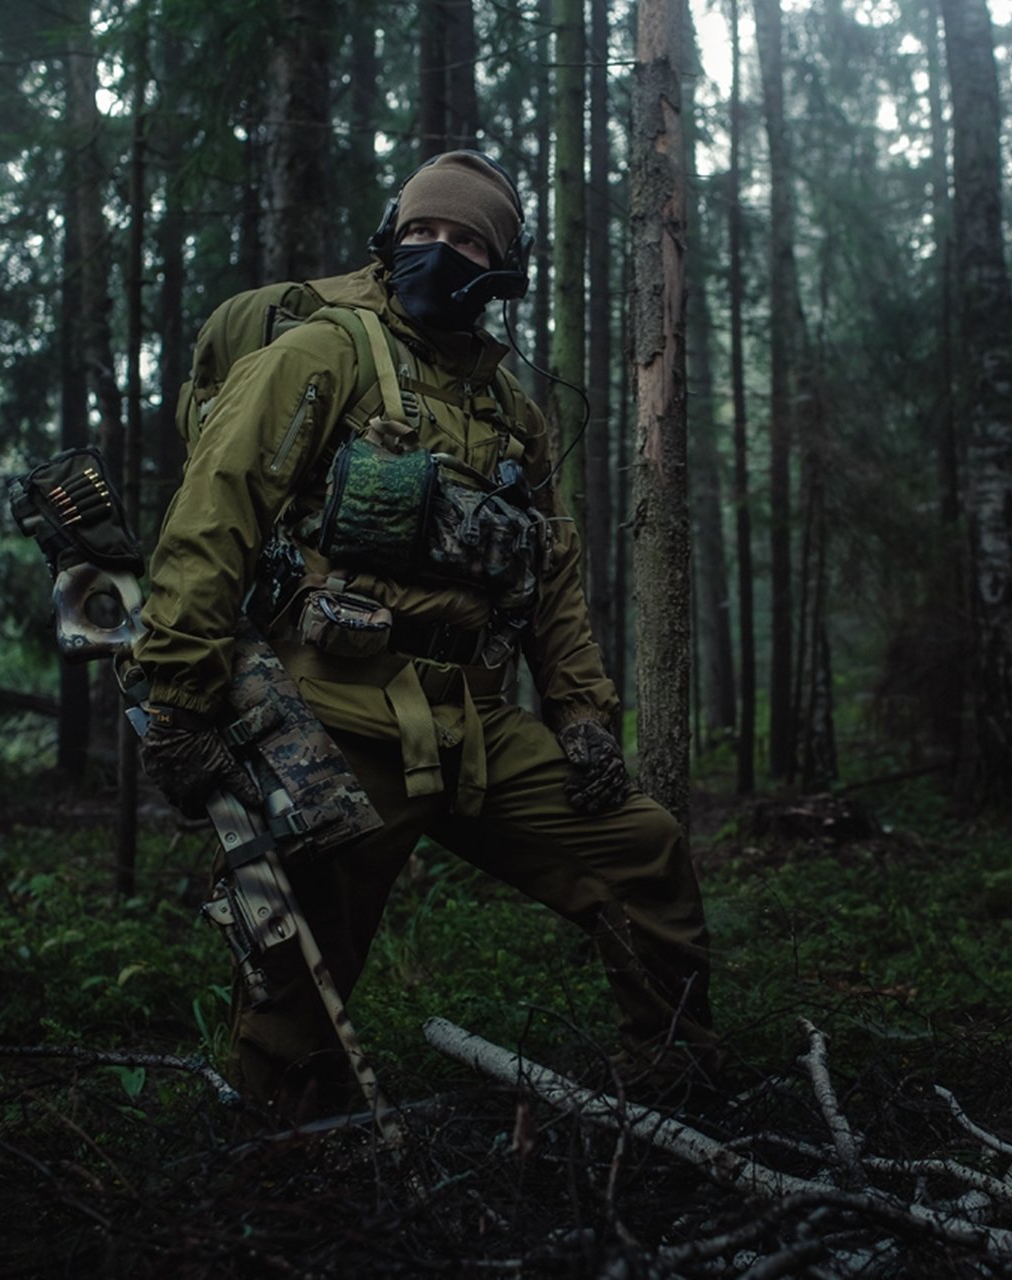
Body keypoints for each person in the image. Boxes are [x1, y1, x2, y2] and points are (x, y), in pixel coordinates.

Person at [131, 150, 716, 1120]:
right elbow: (213, 511)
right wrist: (181, 699)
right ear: (389, 239)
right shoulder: (323, 356)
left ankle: (674, 1088)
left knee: (640, 849)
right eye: (422, 233)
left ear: (501, 267)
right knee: (300, 969)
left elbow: (552, 577)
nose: (438, 252)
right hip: (334, 721)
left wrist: (578, 713)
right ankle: (277, 1167)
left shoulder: (512, 412)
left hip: (476, 722)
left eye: (466, 239)